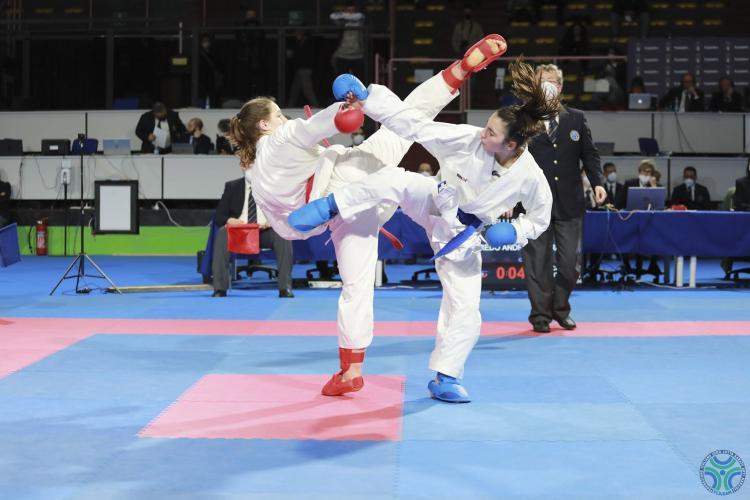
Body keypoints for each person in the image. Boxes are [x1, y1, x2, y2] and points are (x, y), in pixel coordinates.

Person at [230, 35, 507, 399]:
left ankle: (352, 368)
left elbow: (286, 225)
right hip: (353, 180)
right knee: (406, 126)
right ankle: (457, 76)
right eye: (279, 115)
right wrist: (343, 110)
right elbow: (316, 126)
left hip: (336, 213)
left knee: (356, 285)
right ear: (265, 126)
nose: (286, 118)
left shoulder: (256, 172)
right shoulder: (282, 139)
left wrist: (308, 216)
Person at [289, 56, 554, 403]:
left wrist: (513, 233)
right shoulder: (468, 139)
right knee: (388, 178)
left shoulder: (531, 177)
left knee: (466, 309)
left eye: (491, 132)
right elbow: (415, 125)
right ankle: (329, 206)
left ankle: (446, 377)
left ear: (512, 146)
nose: (482, 132)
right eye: (486, 125)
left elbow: (540, 217)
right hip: (435, 200)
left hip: (466, 236)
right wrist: (367, 98)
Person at [524, 63, 605, 334]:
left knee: (569, 266)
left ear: (560, 87)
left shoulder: (576, 118)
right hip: (534, 203)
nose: (549, 86)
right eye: (544, 82)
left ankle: (560, 308)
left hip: (570, 201)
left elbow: (590, 155)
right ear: (536, 86)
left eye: (554, 82)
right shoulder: (523, 119)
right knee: (538, 265)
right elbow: (508, 160)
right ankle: (540, 316)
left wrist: (598, 183)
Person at [212, 162, 294, 298]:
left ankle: (285, 287)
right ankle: (220, 288)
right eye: (249, 166)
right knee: (222, 234)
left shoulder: (273, 187)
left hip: (265, 230)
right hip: (240, 231)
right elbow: (219, 215)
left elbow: (285, 212)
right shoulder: (232, 187)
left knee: (283, 235)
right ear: (242, 167)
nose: (252, 170)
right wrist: (230, 220)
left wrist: (272, 221)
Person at [330, 2, 365, 76]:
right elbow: (332, 16)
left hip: (357, 55)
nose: (351, 13)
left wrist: (345, 16)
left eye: (352, 10)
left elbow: (359, 16)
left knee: (357, 80)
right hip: (343, 55)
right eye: (349, 10)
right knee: (343, 79)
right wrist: (345, 16)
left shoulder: (359, 19)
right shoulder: (342, 22)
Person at [286, 30, 319, 108]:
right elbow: (292, 56)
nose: (296, 35)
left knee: (307, 89)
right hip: (299, 69)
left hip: (305, 69)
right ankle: (290, 106)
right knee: (295, 89)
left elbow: (306, 56)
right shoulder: (297, 43)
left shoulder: (309, 42)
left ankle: (316, 105)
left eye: (298, 33)